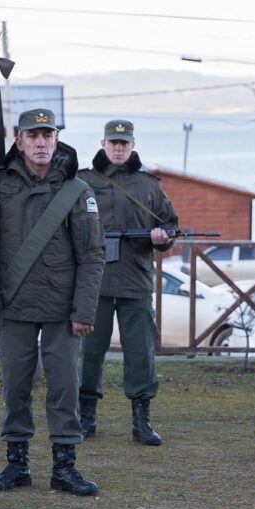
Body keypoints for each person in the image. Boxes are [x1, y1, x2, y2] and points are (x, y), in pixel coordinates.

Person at [0, 109, 104, 496]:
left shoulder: (77, 190)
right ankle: (16, 465)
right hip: (15, 305)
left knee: (65, 389)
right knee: (14, 388)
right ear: (18, 141)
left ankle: (64, 468)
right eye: (32, 135)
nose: (40, 142)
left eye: (47, 135)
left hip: (62, 311)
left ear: (56, 139)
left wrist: (84, 312)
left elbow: (92, 255)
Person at [78, 119, 179, 446]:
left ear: (132, 145)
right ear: (103, 143)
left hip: (135, 282)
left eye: (124, 143)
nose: (118, 148)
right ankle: (86, 416)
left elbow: (170, 225)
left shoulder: (148, 186)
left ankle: (141, 420)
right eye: (113, 142)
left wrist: (162, 239)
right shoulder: (83, 181)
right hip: (95, 284)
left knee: (141, 354)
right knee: (89, 353)